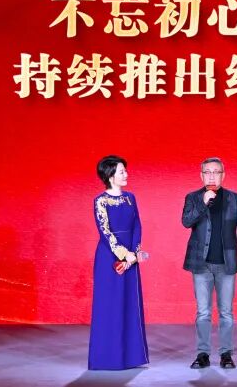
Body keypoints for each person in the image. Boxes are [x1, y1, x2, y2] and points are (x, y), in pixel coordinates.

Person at [181, 157, 237, 369]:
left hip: (226, 264)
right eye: (207, 172)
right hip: (200, 264)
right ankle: (202, 354)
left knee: (226, 312)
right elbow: (186, 221)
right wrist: (203, 203)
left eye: (216, 172)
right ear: (201, 175)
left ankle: (226, 354)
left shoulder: (234, 198)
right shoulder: (193, 197)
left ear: (223, 175)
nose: (212, 176)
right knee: (203, 311)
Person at [88, 155, 149, 370]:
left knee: (130, 304)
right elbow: (105, 232)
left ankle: (131, 357)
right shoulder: (100, 201)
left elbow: (137, 226)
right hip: (109, 258)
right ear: (110, 176)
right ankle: (107, 358)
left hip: (131, 257)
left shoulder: (130, 198)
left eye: (125, 170)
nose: (126, 174)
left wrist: (135, 252)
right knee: (110, 305)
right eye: (122, 171)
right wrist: (124, 254)